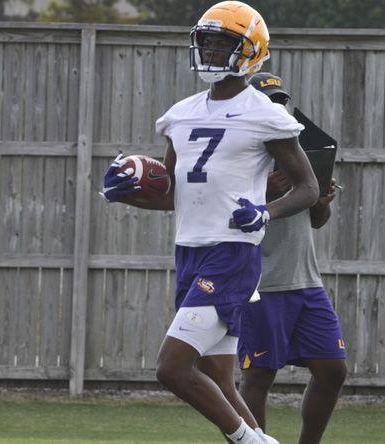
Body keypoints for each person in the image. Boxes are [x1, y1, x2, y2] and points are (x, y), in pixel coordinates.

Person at [101, 2, 319, 443]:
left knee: (172, 367)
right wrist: (125, 194)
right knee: (216, 377)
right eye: (207, 43)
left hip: (232, 253)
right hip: (190, 251)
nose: (213, 53)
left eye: (224, 45)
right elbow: (171, 196)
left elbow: (308, 188)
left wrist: (266, 212)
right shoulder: (181, 114)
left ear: (251, 51)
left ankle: (252, 441)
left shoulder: (266, 115)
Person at [238, 72, 348, 444]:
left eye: (279, 101)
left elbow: (316, 222)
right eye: (267, 101)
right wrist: (262, 191)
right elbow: (221, 220)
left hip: (307, 281)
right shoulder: (238, 156)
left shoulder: (296, 152)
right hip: (261, 284)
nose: (275, 107)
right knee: (258, 377)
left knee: (333, 371)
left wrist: (320, 203)